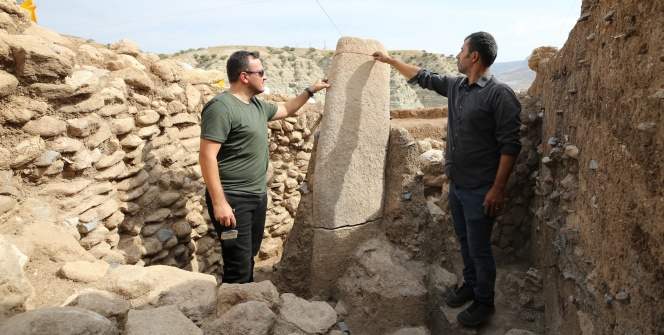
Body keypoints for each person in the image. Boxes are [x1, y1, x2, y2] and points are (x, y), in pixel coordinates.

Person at [373, 32, 522, 326]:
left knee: (479, 247)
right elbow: (423, 76)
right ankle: (470, 285)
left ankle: (484, 301)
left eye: (461, 50)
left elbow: (511, 145)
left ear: (474, 56)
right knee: (465, 241)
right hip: (458, 185)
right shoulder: (456, 87)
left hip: (482, 189)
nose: (457, 55)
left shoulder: (499, 94)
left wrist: (497, 189)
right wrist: (390, 61)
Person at [199, 50, 330, 284]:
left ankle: (246, 304)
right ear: (244, 76)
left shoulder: (256, 106)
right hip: (233, 198)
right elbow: (207, 156)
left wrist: (311, 90)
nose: (265, 77)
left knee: (248, 256)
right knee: (237, 266)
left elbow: (287, 109)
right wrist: (220, 203)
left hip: (256, 196)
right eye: (261, 72)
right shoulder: (221, 107)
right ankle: (236, 313)